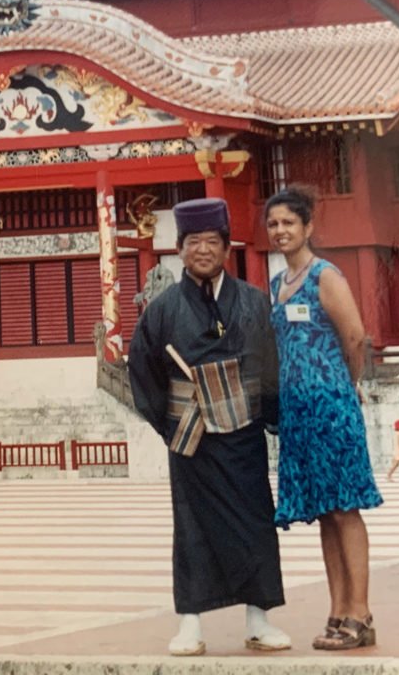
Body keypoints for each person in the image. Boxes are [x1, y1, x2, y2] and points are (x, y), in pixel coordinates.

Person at [128, 197, 289, 656]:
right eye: (193, 241)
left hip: (244, 434)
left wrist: (269, 414)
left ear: (226, 247)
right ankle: (190, 624)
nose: (203, 249)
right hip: (191, 439)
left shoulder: (253, 302)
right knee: (191, 528)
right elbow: (142, 370)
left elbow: (271, 364)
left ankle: (258, 620)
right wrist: (173, 425)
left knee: (255, 522)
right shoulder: (162, 310)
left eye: (212, 241)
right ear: (179, 249)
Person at [265, 185, 382, 651]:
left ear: (308, 226)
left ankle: (361, 613)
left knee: (345, 508)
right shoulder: (276, 284)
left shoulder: (325, 276)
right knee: (324, 514)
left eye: (288, 223)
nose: (280, 231)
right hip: (297, 413)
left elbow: (354, 336)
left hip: (331, 407)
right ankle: (337, 610)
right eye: (273, 224)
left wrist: (345, 385)